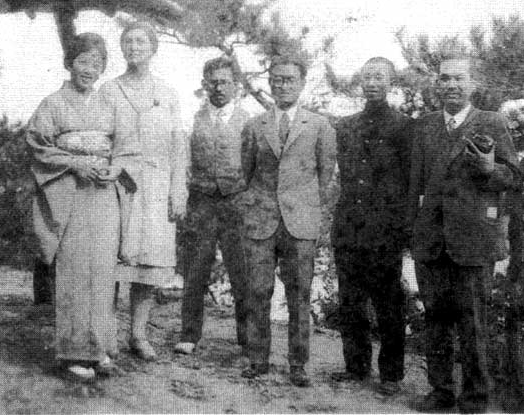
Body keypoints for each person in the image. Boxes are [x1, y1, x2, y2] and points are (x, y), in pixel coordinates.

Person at [408, 56, 520, 413]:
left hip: (472, 241)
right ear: (436, 85)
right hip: (431, 241)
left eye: (459, 79)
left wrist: (490, 169)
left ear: (472, 84)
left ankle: (476, 399)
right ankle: (441, 391)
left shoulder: (491, 121)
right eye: (445, 79)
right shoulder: (425, 126)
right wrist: (414, 233)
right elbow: (415, 186)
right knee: (436, 318)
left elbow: (514, 178)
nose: (451, 85)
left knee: (474, 323)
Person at [27, 33, 132, 380]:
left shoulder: (110, 106)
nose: (90, 69)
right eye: (83, 61)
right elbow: (39, 146)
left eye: (97, 63)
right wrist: (74, 163)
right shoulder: (52, 104)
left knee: (102, 270)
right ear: (69, 62)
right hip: (69, 192)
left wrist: (114, 168)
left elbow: (127, 148)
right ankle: (73, 352)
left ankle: (99, 348)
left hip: (103, 194)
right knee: (73, 270)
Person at [238, 55, 336, 387]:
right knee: (258, 290)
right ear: (270, 83)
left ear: (302, 83)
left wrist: (308, 209)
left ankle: (298, 364)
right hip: (261, 219)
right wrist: (257, 207)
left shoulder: (319, 125)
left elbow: (325, 176)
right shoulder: (255, 125)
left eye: (290, 79)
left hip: (301, 222)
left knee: (299, 293)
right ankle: (257, 359)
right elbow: (246, 172)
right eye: (277, 79)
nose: (282, 85)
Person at [99, 21, 188, 361]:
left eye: (141, 41)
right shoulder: (109, 90)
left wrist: (178, 189)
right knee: (112, 261)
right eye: (128, 41)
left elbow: (178, 144)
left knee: (148, 265)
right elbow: (100, 136)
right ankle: (106, 338)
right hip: (118, 182)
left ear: (153, 48)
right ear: (122, 49)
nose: (134, 47)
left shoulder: (166, 92)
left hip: (156, 184)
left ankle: (138, 334)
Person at [331, 57, 412, 396]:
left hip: (386, 231)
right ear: (359, 83)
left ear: (391, 83)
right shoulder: (345, 126)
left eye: (379, 77)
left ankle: (391, 374)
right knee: (350, 302)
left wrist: (403, 229)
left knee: (389, 303)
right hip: (349, 227)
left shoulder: (406, 127)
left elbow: (411, 183)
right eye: (367, 77)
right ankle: (355, 366)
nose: (372, 83)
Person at [174, 57, 250, 356]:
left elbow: (256, 166)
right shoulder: (193, 119)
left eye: (225, 82)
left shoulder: (250, 121)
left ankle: (248, 338)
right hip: (202, 202)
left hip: (237, 204)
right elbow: (183, 161)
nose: (218, 88)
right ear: (205, 85)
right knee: (195, 270)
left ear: (236, 86)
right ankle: (189, 335)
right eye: (213, 82)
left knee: (242, 271)